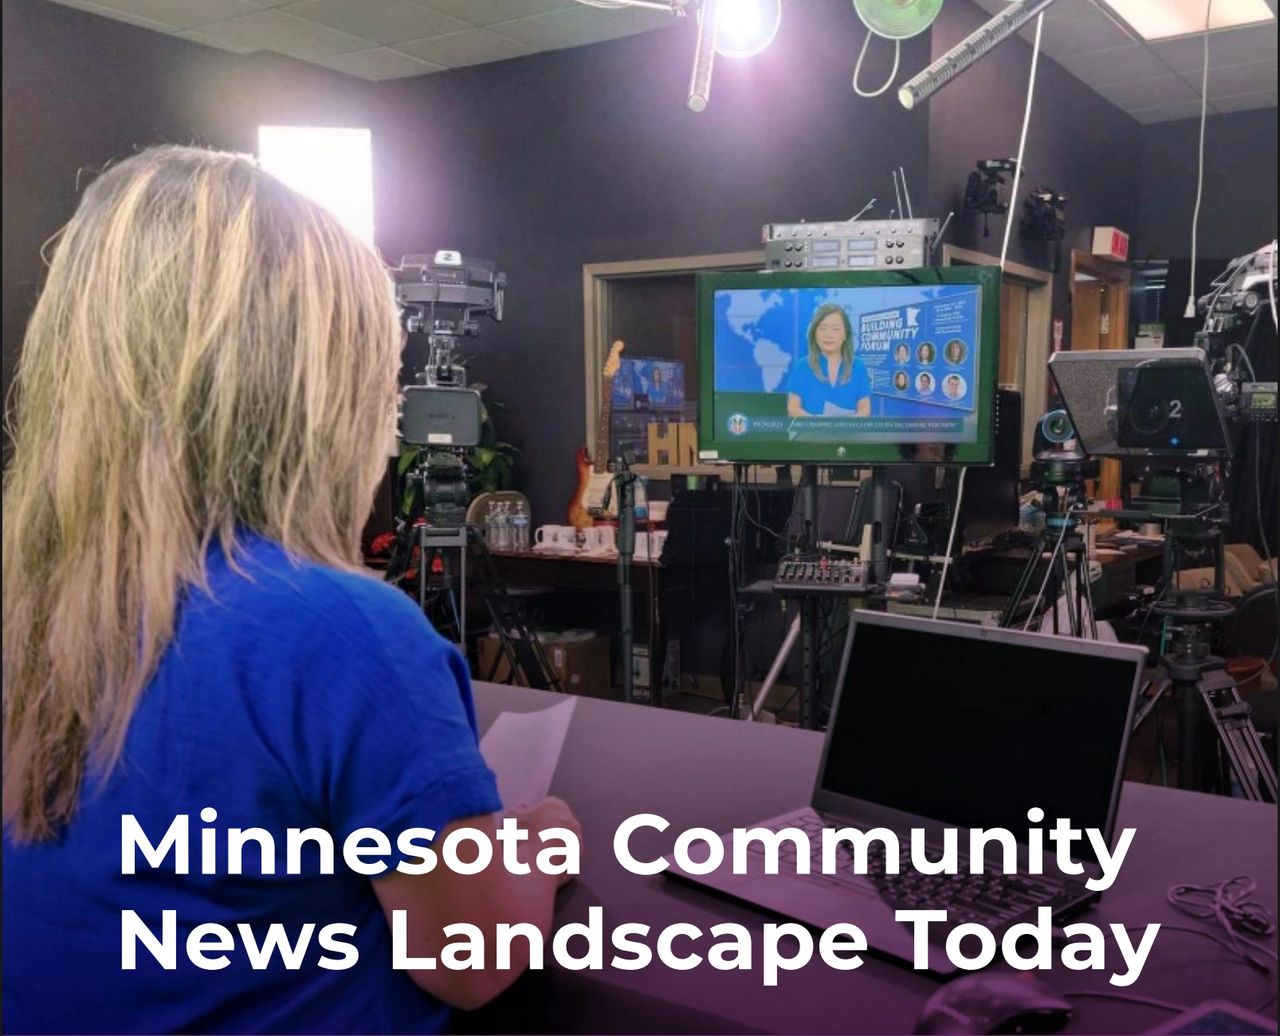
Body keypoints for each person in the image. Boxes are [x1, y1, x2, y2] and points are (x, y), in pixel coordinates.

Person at [2, 146, 579, 1034]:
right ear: (319, 396)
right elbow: (474, 961)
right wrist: (538, 847)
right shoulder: (345, 635)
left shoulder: (28, 602)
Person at [786, 303, 871, 417]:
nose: (829, 335)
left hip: (849, 434)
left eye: (836, 329)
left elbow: (864, 408)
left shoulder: (858, 366)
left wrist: (848, 426)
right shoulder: (802, 366)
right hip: (811, 433)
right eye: (823, 328)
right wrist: (818, 426)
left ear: (845, 334)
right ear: (814, 334)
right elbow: (793, 408)